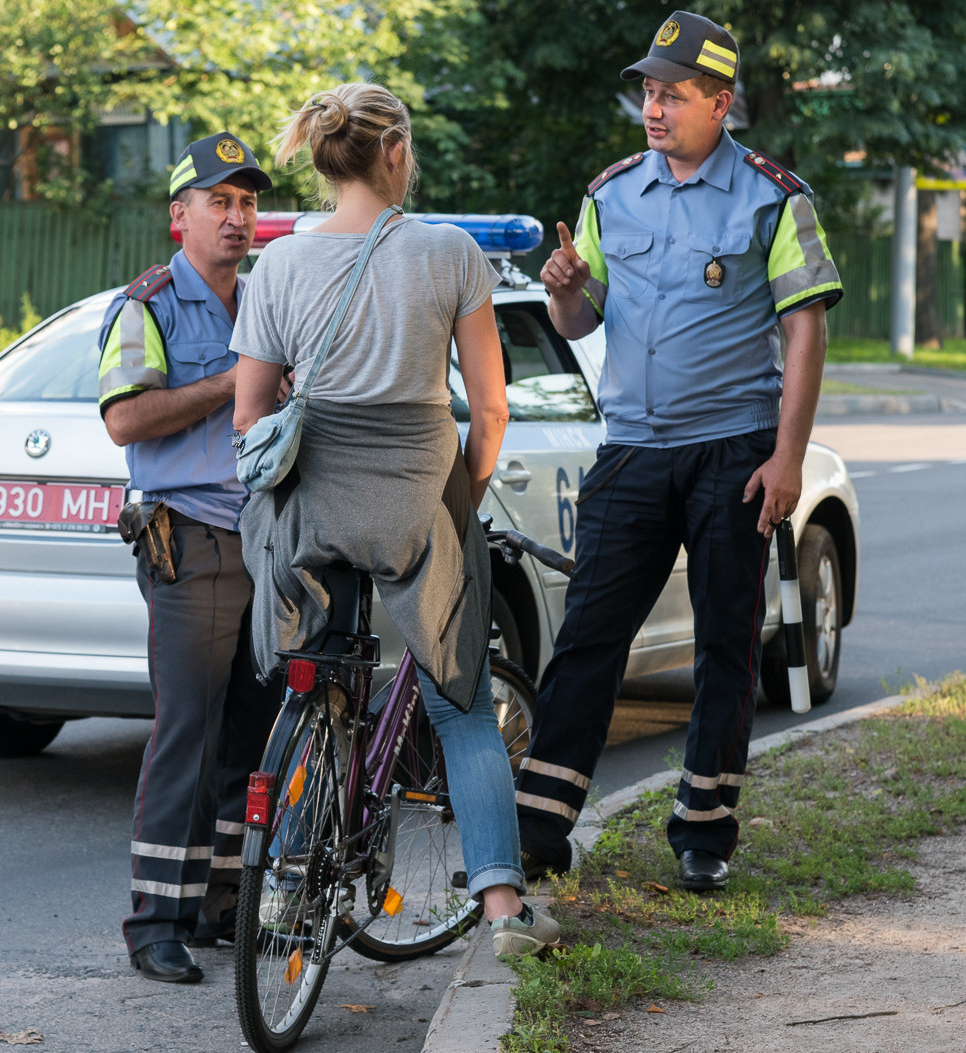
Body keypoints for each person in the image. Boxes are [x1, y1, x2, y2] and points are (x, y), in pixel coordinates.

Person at [514, 11, 843, 892]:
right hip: (633, 450)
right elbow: (579, 320)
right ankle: (540, 826)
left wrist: (789, 457)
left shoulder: (775, 196)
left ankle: (704, 831)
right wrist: (566, 290)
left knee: (726, 646)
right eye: (648, 94)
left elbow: (803, 330)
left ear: (720, 103)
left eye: (673, 95)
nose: (653, 110)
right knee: (588, 636)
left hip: (733, 452)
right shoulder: (609, 193)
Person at [231, 81, 560, 957]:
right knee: (460, 704)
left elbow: (251, 414)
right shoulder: (448, 253)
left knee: (319, 679)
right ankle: (501, 907)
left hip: (313, 498)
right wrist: (463, 501)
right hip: (417, 490)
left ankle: (290, 883)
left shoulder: (282, 264)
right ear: (396, 155)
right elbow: (488, 411)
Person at [96, 131, 282, 983]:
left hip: (267, 539)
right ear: (181, 217)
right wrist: (238, 381)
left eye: (246, 202)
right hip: (192, 540)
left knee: (250, 732)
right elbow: (126, 421)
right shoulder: (148, 305)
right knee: (187, 733)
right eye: (220, 201)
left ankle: (219, 904)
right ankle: (156, 923)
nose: (237, 216)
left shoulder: (266, 299)